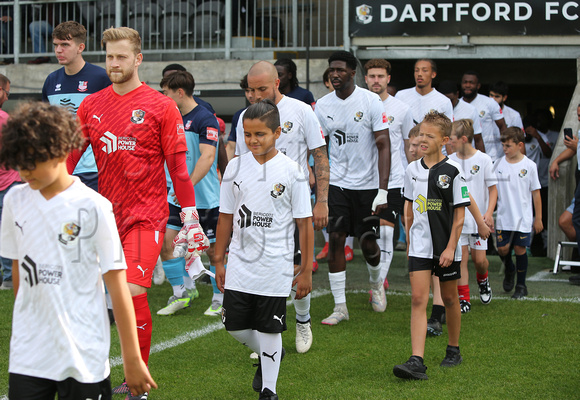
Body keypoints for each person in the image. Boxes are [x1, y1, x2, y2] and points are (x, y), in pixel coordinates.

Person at [68, 27, 208, 400]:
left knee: (130, 291)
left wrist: (190, 216)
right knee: (95, 298)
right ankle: (98, 375)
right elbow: (67, 161)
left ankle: (137, 385)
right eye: (109, 57)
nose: (114, 63)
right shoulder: (91, 105)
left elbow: (179, 169)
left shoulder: (161, 106)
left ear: (138, 59)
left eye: (121, 57)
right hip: (104, 218)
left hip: (146, 216)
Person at [0, 101, 156, 400]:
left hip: (84, 353)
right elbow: (19, 270)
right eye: (18, 163)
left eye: (31, 162)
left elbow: (117, 286)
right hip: (29, 354)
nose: (24, 172)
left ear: (59, 151)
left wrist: (132, 358)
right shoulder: (14, 201)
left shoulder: (93, 206)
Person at [214, 100, 314, 400]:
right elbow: (225, 217)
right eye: (247, 134)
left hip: (276, 264)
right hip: (241, 264)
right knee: (233, 326)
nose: (253, 140)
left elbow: (305, 224)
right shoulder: (235, 166)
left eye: (260, 134)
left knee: (270, 328)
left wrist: (306, 268)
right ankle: (272, 354)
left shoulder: (293, 171)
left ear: (278, 132)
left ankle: (269, 390)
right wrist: (219, 260)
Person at [234, 60, 329, 353]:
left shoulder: (301, 111)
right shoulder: (244, 118)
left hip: (292, 205)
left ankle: (303, 320)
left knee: (298, 267)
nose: (256, 95)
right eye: (252, 90)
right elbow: (241, 163)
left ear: (277, 83)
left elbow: (320, 156)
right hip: (257, 206)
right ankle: (264, 333)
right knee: (257, 266)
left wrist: (322, 200)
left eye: (262, 88)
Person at [315, 50, 391, 324]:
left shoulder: (370, 101)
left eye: (340, 70)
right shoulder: (322, 106)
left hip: (368, 186)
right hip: (337, 184)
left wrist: (382, 189)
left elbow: (384, 145)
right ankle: (340, 307)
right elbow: (320, 149)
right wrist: (320, 189)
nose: (335, 74)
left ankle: (375, 283)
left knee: (368, 243)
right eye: (331, 70)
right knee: (335, 239)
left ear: (351, 72)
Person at [393, 111, 469, 380]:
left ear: (445, 140)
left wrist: (450, 248)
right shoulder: (412, 169)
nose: (422, 140)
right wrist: (411, 241)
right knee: (417, 299)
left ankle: (454, 349)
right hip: (419, 248)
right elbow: (409, 208)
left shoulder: (453, 171)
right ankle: (416, 360)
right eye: (420, 134)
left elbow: (459, 216)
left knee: (449, 298)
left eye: (430, 136)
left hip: (445, 248)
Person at [157, 70, 222, 317]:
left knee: (214, 252)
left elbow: (207, 157)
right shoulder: (169, 118)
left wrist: (186, 185)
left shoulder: (205, 118)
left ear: (179, 92)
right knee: (168, 245)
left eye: (166, 93)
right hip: (176, 197)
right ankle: (183, 292)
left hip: (204, 199)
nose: (164, 97)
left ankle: (219, 297)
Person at [42, 21, 111, 192]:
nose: (58, 50)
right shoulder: (51, 80)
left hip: (93, 169)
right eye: (56, 45)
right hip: (61, 168)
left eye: (65, 44)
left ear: (81, 47)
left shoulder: (101, 78)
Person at [364, 58, 413, 295]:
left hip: (393, 179)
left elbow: (408, 147)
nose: (376, 80)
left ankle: (378, 285)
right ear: (365, 79)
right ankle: (377, 274)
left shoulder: (402, 109)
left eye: (380, 76)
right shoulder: (359, 106)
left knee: (385, 230)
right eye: (372, 76)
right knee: (368, 234)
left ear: (388, 79)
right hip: (363, 181)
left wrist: (415, 176)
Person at [448, 119, 497, 312]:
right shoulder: (450, 160)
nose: (449, 143)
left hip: (479, 222)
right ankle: (464, 298)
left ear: (464, 139)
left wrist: (489, 214)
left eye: (452, 139)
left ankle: (483, 279)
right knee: (461, 259)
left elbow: (493, 190)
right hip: (459, 220)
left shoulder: (483, 159)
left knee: (480, 261)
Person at [494, 127, 543, 298]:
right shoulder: (498, 164)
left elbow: (536, 193)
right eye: (503, 145)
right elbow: (492, 190)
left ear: (520, 145)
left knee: (520, 249)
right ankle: (509, 269)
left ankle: (521, 286)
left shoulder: (529, 166)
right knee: (502, 250)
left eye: (508, 146)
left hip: (523, 218)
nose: (504, 149)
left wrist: (539, 218)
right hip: (503, 217)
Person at [460, 71, 507, 159]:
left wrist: (505, 149)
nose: (467, 85)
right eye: (465, 82)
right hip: (463, 158)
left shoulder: (489, 103)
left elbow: (502, 126)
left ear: (478, 86)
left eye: (471, 83)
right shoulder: (456, 105)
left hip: (489, 156)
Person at [395, 59, 454, 128]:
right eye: (417, 70)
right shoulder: (401, 96)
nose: (419, 74)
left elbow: (448, 129)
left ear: (433, 74)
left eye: (424, 70)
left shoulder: (444, 101)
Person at [0, 73, 18, 290]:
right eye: (7, 92)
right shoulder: (6, 120)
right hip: (9, 181)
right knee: (9, 231)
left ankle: (7, 276)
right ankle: (7, 277)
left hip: (8, 180)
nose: (7, 97)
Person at [438, 80, 483, 154]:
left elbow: (478, 139)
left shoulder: (470, 110)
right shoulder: (434, 110)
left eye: (451, 100)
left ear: (457, 94)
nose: (448, 104)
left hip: (464, 157)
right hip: (439, 159)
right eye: (445, 101)